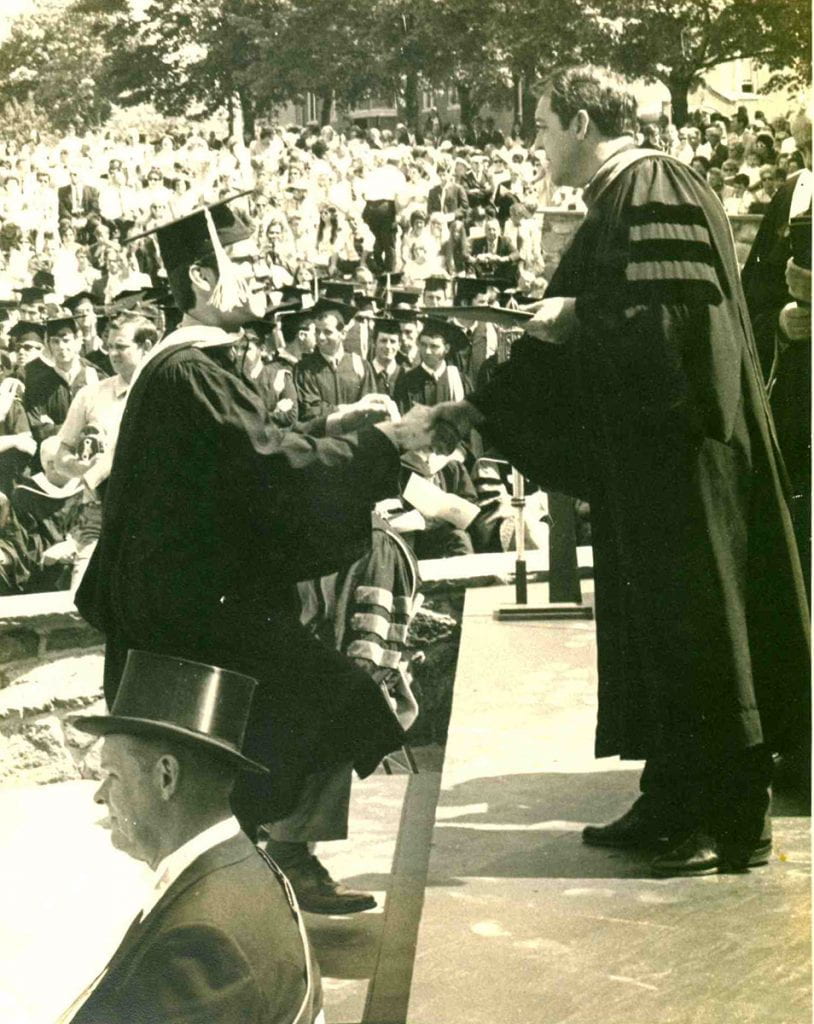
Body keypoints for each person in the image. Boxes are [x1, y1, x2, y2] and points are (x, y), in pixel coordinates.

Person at [427, 65, 810, 877]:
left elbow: (661, 327)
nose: (532, 142)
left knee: (705, 629)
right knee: (665, 630)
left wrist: (578, 318)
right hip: (657, 455)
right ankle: (673, 796)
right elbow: (587, 327)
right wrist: (487, 407)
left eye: (540, 125)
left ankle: (735, 821)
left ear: (579, 121)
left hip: (688, 453)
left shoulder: (650, 188)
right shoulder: (623, 198)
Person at [74, 196, 435, 913]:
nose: (261, 272)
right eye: (242, 262)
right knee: (335, 700)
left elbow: (252, 445)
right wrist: (384, 445)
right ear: (204, 277)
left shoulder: (188, 370)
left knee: (323, 705)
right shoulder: (187, 373)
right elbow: (267, 466)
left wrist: (332, 422)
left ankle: (279, 859)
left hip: (199, 611)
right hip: (193, 628)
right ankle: (272, 864)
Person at [65, 649, 324, 1024]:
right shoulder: (243, 864)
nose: (100, 795)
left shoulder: (201, 942)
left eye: (113, 775)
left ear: (166, 777)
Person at [53, 314, 157, 590]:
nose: (112, 353)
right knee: (81, 601)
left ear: (146, 346)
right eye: (109, 346)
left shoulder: (167, 394)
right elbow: (60, 456)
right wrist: (87, 470)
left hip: (151, 515)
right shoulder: (91, 395)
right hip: (100, 514)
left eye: (121, 346)